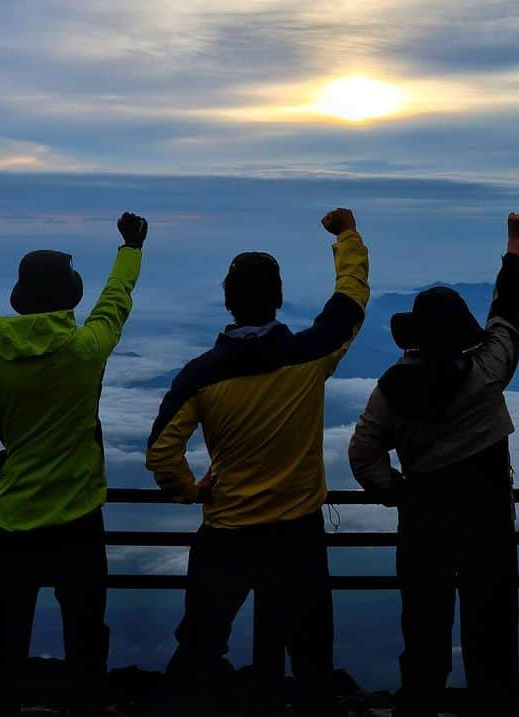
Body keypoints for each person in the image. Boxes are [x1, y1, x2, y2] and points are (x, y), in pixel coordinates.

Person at [145, 208, 370, 716]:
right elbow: (351, 302)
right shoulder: (309, 356)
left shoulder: (198, 377)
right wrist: (347, 236)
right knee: (311, 655)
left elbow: (161, 453)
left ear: (227, 301)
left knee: (201, 645)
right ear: (279, 298)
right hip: (297, 535)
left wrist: (190, 490)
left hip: (226, 534)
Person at [0, 212, 148, 717]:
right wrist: (131, 248)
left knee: (6, 644)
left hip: (13, 525)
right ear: (70, 297)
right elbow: (114, 304)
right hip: (79, 524)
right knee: (86, 641)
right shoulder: (86, 350)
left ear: (19, 300)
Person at [348, 212, 519, 717]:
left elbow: (362, 455)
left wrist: (399, 491)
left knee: (424, 625)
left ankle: (420, 703)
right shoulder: (488, 371)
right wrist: (514, 248)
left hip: (423, 520)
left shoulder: (390, 387)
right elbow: (508, 320)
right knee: (490, 622)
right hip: (487, 519)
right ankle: (491, 704)